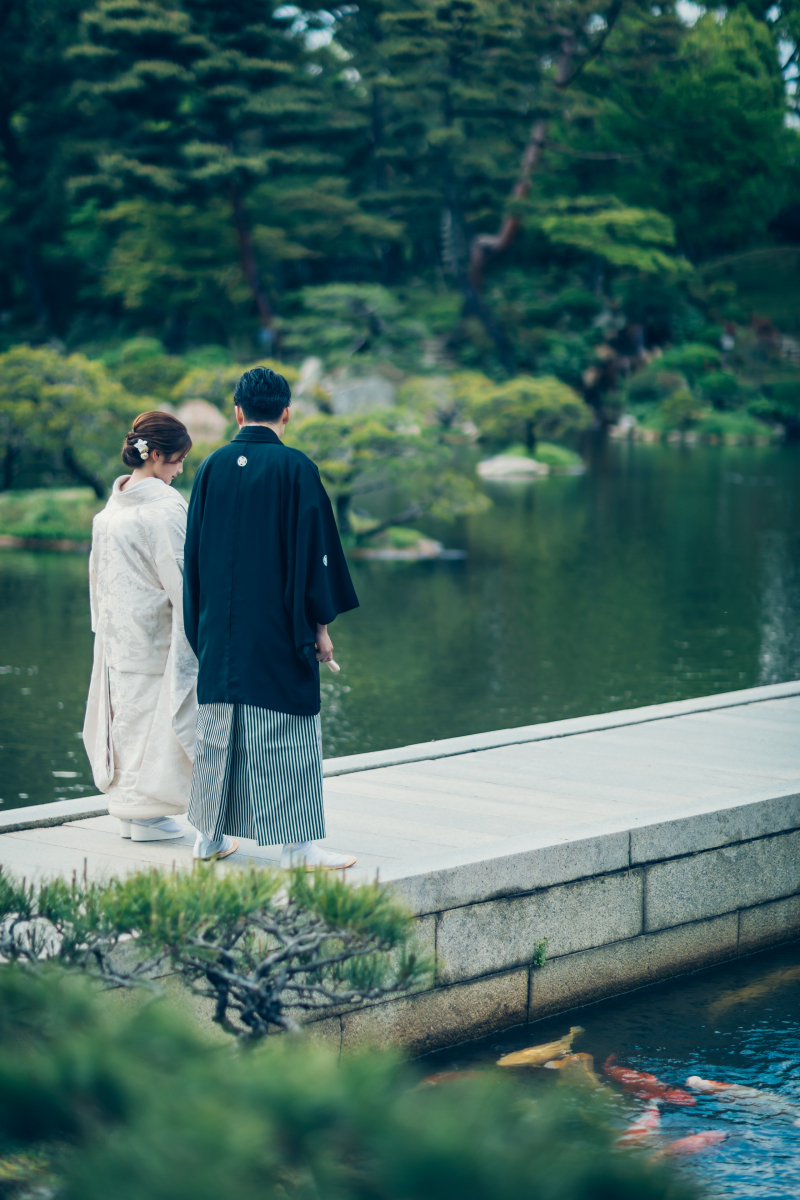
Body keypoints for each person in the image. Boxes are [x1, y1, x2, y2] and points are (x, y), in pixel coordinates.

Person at [183, 367, 359, 866]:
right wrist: (319, 627)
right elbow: (313, 556)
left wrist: (201, 624)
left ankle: (209, 838)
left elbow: (193, 553)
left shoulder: (212, 466)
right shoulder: (295, 468)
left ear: (237, 411)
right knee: (286, 730)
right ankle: (297, 849)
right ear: (287, 412)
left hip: (220, 627)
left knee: (219, 728)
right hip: (277, 627)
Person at [83, 412, 197, 842]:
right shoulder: (166, 510)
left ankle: (131, 812)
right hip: (156, 633)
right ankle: (147, 813)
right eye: (178, 460)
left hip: (117, 635)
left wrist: (107, 628)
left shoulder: (108, 512)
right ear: (158, 456)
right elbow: (183, 580)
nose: (180, 469)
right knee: (155, 724)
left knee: (126, 722)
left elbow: (98, 580)